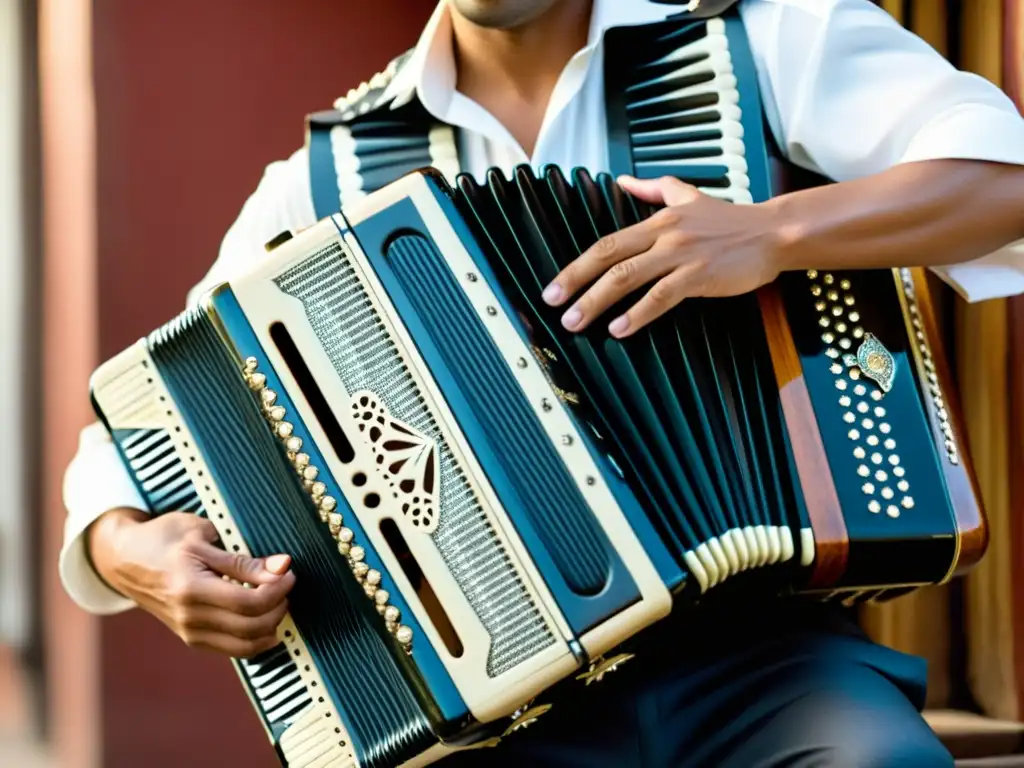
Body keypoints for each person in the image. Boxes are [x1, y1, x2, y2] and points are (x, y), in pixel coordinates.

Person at [63, 0, 1024, 765]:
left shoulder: (765, 41)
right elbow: (141, 427)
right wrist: (129, 551)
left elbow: (1002, 181)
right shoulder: (321, 180)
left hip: (767, 660)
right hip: (500, 712)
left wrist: (775, 231)